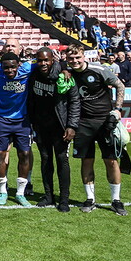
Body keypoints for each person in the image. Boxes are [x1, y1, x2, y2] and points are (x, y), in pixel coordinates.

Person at [66, 44, 128, 216]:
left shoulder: (99, 70)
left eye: (77, 57)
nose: (74, 61)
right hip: (82, 123)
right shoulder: (67, 73)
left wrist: (117, 109)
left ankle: (116, 200)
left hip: (104, 122)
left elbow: (120, 86)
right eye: (71, 58)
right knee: (86, 160)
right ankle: (90, 199)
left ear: (83, 56)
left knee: (111, 160)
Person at [29, 47, 80, 212]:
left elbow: (74, 101)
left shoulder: (64, 75)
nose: (43, 63)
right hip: (41, 125)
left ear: (53, 60)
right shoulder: (33, 74)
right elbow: (30, 99)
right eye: (40, 60)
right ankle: (48, 196)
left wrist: (71, 125)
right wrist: (32, 122)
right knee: (45, 159)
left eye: (46, 60)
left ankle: (64, 199)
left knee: (61, 159)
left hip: (60, 125)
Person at [0, 51, 34, 207]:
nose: (9, 70)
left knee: (25, 154)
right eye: (6, 67)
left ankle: (20, 193)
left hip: (22, 120)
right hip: (2, 120)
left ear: (18, 65)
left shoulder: (27, 68)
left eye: (13, 67)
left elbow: (46, 61)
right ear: (1, 67)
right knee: (0, 154)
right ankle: (2, 191)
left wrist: (65, 69)